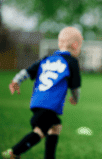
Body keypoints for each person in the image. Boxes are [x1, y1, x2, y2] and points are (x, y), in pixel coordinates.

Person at [2, 27, 83, 159]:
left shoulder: (46, 59)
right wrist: (76, 99)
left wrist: (16, 80)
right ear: (75, 45)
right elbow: (75, 87)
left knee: (55, 126)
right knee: (39, 132)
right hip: (50, 106)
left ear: (59, 43)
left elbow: (27, 72)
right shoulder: (72, 62)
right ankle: (13, 152)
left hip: (36, 102)